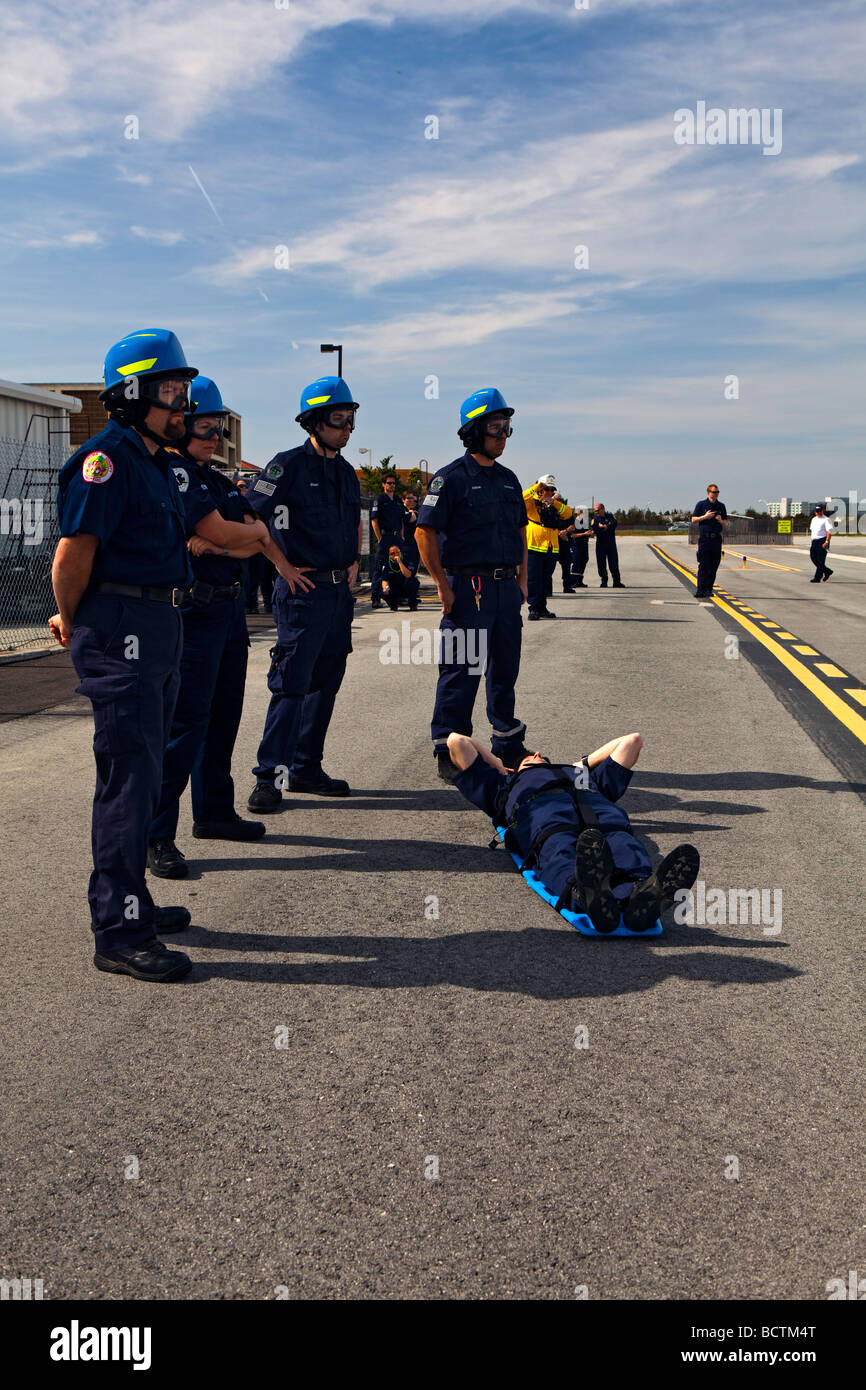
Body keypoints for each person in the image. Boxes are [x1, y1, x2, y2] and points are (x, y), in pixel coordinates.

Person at [48, 328, 198, 983]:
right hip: (120, 630)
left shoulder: (154, 461)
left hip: (157, 622)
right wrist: (81, 627)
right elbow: (70, 557)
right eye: (170, 392)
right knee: (126, 785)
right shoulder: (103, 460)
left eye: (183, 391)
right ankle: (118, 931)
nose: (181, 406)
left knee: (147, 775)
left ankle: (133, 899)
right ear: (131, 396)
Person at [146, 376, 271, 880]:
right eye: (203, 426)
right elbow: (225, 531)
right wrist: (239, 537)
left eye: (217, 427)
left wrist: (239, 539)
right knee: (184, 728)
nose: (212, 436)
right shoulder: (176, 473)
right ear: (181, 427)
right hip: (193, 614)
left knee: (223, 717)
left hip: (228, 612)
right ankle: (157, 835)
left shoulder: (216, 479)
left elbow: (247, 541)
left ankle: (215, 812)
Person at [445, 730, 700, 934]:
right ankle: (585, 894)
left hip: (606, 824)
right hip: (548, 825)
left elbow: (632, 741)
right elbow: (456, 741)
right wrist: (498, 764)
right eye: (531, 756)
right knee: (562, 853)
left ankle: (640, 894)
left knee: (623, 845)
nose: (540, 754)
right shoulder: (504, 784)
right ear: (515, 768)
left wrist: (582, 765)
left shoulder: (582, 775)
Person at [246, 375, 363, 812]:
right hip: (302, 592)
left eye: (351, 419)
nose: (347, 428)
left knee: (324, 684)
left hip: (338, 595)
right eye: (338, 419)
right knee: (292, 685)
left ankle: (305, 767)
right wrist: (282, 565)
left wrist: (353, 561)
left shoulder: (347, 472)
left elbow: (354, 522)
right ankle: (269, 777)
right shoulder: (286, 466)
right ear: (313, 422)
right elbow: (253, 517)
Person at [415, 387, 530, 782]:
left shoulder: (510, 481)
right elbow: (423, 533)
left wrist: (522, 580)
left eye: (507, 427)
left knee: (504, 669)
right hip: (469, 588)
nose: (503, 435)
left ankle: (508, 742)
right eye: (496, 427)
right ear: (473, 431)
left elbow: (521, 533)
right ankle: (450, 747)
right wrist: (442, 587)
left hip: (504, 590)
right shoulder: (451, 479)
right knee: (461, 670)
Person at [522, 475, 574, 619]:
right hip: (534, 546)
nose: (549, 492)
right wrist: (535, 488)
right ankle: (533, 609)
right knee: (533, 579)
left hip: (552, 548)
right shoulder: (531, 502)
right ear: (540, 489)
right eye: (546, 489)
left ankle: (542, 607)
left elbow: (568, 514)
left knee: (546, 579)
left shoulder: (554, 504)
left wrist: (554, 502)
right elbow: (520, 499)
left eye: (551, 490)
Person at [370, 472, 405, 610]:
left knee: (398, 567)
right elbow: (374, 521)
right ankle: (376, 597)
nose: (392, 485)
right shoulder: (379, 500)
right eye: (389, 483)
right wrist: (380, 538)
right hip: (385, 538)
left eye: (393, 483)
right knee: (379, 569)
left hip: (397, 538)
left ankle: (398, 596)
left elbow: (402, 519)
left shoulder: (397, 500)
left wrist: (401, 535)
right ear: (383, 484)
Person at [690, 483, 728, 598]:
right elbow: (693, 519)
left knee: (713, 565)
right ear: (708, 493)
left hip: (716, 538)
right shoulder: (701, 504)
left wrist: (720, 520)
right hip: (705, 539)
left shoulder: (721, 506)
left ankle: (708, 590)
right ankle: (700, 590)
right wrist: (704, 517)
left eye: (717, 492)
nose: (715, 494)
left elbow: (725, 522)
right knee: (703, 565)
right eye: (713, 492)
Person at [590, 503, 624, 587]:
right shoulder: (595, 519)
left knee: (614, 563)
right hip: (600, 544)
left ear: (603, 509)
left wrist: (605, 527)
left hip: (611, 544)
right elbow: (595, 528)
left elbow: (614, 524)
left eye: (598, 510)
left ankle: (616, 582)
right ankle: (604, 581)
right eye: (595, 511)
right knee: (601, 564)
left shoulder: (610, 516)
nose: (596, 512)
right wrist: (605, 527)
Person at [381, 543, 419, 611]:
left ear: (400, 552)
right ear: (389, 556)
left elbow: (408, 575)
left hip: (405, 587)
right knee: (379, 586)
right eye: (392, 553)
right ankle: (393, 604)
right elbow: (384, 579)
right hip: (394, 587)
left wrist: (399, 562)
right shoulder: (387, 563)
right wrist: (385, 588)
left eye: (397, 552)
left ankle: (412, 603)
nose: (395, 554)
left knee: (412, 582)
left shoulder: (406, 559)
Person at [562, 510, 593, 588]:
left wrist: (590, 533)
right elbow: (572, 535)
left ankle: (579, 581)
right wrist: (584, 534)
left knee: (584, 560)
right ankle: (573, 582)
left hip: (584, 544)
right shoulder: (574, 523)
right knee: (577, 562)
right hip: (576, 545)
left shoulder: (584, 523)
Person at [808, 502, 834, 582]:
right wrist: (812, 540)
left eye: (820, 511)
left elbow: (829, 532)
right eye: (817, 511)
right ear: (815, 512)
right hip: (815, 541)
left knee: (820, 560)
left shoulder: (826, 519)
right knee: (813, 558)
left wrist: (826, 542)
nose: (819, 512)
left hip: (822, 541)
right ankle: (827, 571)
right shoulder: (814, 519)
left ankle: (817, 578)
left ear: (822, 511)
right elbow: (813, 531)